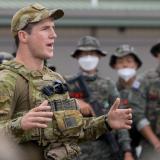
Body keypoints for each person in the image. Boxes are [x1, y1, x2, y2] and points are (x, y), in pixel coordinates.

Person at [0, 3, 132, 160]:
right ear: (23, 36)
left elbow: (73, 131)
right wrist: (20, 124)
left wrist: (106, 122)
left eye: (53, 28)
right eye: (45, 29)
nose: (53, 34)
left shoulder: (55, 79)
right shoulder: (7, 79)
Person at [66, 36, 134, 160]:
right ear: (76, 56)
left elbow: (120, 117)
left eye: (92, 53)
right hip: (76, 151)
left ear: (99, 56)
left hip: (105, 151)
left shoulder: (108, 85)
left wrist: (127, 150)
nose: (88, 58)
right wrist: (74, 102)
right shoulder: (66, 83)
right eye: (84, 54)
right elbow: (50, 105)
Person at [109, 44, 160, 159]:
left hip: (146, 143)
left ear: (137, 64)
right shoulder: (110, 90)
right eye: (120, 62)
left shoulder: (146, 85)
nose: (125, 64)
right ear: (114, 65)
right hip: (119, 146)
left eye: (129, 61)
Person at [137, 42, 160, 160]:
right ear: (157, 55)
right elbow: (137, 113)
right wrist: (155, 141)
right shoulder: (145, 80)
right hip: (151, 145)